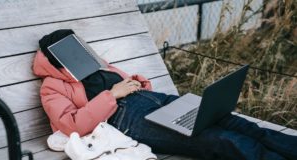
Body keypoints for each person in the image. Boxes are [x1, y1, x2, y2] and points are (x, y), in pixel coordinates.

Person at [33, 29, 297, 160]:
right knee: (221, 139)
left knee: (237, 122)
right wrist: (112, 94)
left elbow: (126, 82)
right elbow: (70, 125)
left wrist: (135, 82)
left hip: (154, 101)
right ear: (57, 61)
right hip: (126, 119)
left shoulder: (95, 64)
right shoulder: (52, 86)